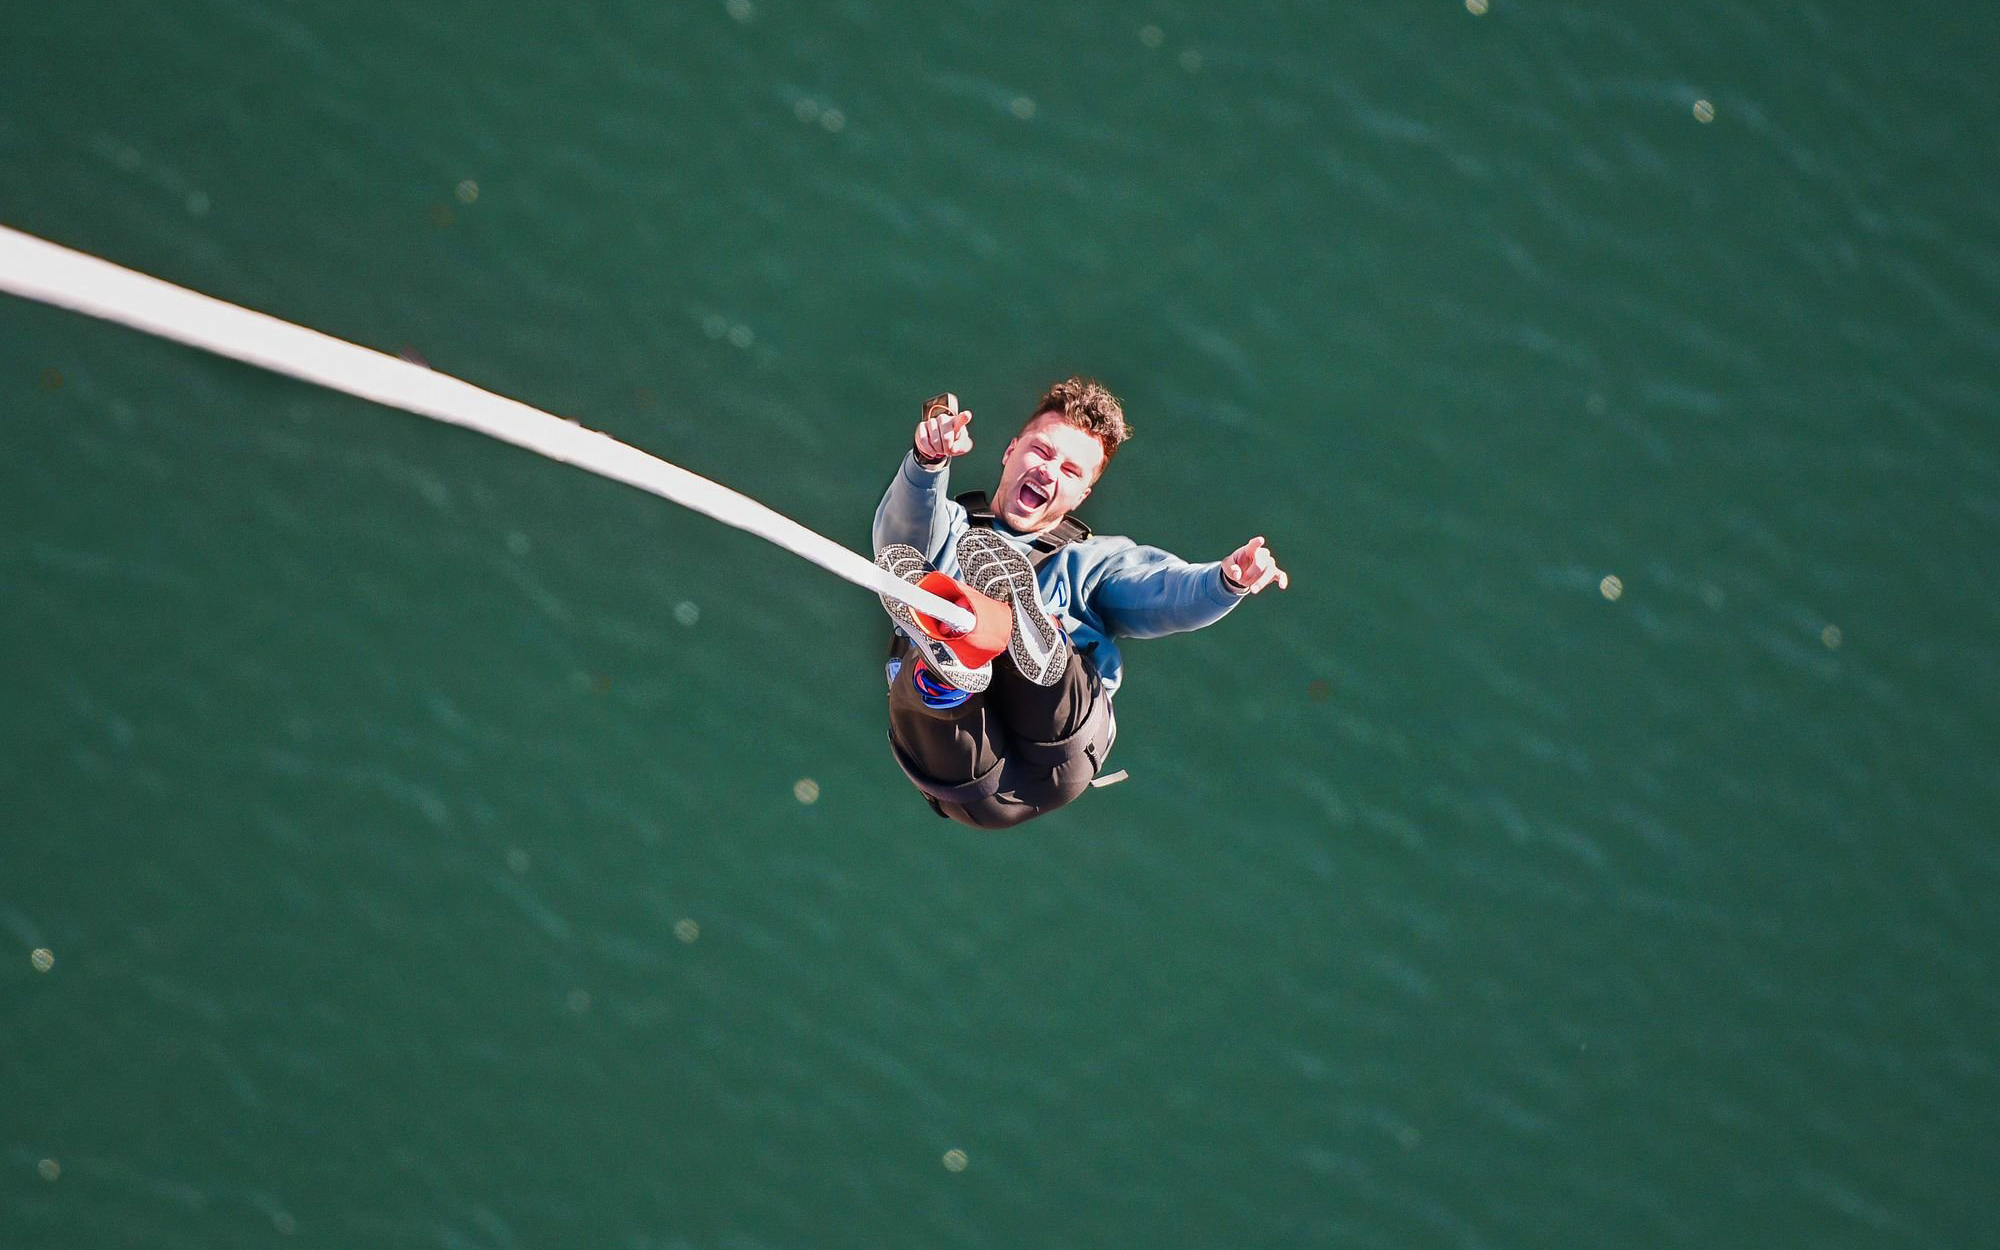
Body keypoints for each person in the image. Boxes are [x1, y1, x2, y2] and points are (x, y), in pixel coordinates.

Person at [872, 376, 1287, 828]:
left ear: (1083, 494)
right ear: (1011, 451)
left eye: (1070, 472)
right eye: (1042, 452)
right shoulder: (947, 526)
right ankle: (955, 663)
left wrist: (1224, 580)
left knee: (1025, 645)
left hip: (1056, 754)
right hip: (964, 779)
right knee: (920, 610)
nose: (1049, 472)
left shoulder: (1094, 562)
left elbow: (1160, 590)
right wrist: (927, 463)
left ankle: (1022, 637)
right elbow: (900, 546)